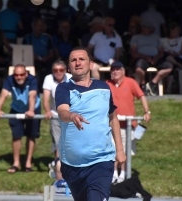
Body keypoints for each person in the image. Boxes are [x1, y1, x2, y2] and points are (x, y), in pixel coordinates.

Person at [55, 46, 126, 201]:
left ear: (91, 64)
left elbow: (113, 118)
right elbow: (62, 112)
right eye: (73, 60)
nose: (78, 63)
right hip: (72, 165)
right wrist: (72, 115)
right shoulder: (64, 88)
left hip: (101, 160)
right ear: (69, 67)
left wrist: (119, 150)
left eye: (82, 59)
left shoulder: (104, 88)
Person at [106, 61, 151, 183]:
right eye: (113, 70)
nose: (114, 72)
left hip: (128, 125)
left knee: (125, 151)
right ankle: (114, 173)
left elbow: (141, 96)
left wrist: (147, 112)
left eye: (117, 69)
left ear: (123, 71)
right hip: (111, 125)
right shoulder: (107, 84)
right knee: (112, 150)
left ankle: (123, 174)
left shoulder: (131, 82)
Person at [0, 64, 41, 173]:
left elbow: (32, 96)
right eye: (16, 75)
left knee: (31, 135)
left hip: (33, 108)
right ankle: (16, 163)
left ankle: (28, 163)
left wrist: (31, 110)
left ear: (26, 74)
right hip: (16, 108)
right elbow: (3, 95)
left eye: (21, 74)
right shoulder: (9, 80)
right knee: (16, 136)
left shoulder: (32, 80)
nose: (19, 77)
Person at [42, 59, 72, 177]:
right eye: (55, 70)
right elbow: (45, 98)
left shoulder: (70, 78)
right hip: (55, 114)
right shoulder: (48, 79)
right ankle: (59, 168)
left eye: (61, 70)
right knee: (58, 142)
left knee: (69, 142)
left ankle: (66, 166)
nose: (58, 72)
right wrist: (47, 111)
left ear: (65, 70)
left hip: (69, 115)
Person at [130, 19, 173, 96]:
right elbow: (133, 52)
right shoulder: (136, 37)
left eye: (151, 28)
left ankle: (152, 84)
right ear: (143, 28)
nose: (151, 30)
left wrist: (156, 58)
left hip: (155, 58)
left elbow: (161, 52)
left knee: (169, 67)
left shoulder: (156, 37)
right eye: (148, 28)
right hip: (142, 58)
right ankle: (143, 86)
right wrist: (146, 57)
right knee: (138, 69)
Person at [160, 22, 182, 94]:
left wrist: (177, 53)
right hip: (166, 58)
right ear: (171, 30)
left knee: (170, 64)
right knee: (167, 61)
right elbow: (160, 50)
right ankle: (168, 88)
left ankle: (168, 88)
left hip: (178, 57)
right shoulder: (163, 40)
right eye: (177, 29)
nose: (179, 31)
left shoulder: (181, 38)